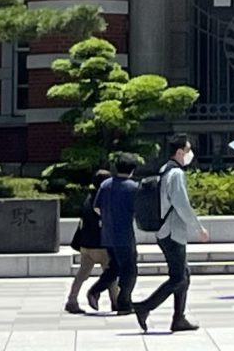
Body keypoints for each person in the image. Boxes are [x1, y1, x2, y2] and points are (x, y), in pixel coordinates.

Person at [134, 134, 207, 333]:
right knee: (179, 278)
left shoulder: (165, 169)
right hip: (172, 232)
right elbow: (181, 204)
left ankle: (178, 318)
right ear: (180, 152)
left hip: (167, 231)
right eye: (188, 150)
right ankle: (144, 307)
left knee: (184, 274)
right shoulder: (176, 174)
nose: (190, 154)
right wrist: (198, 228)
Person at [98, 153, 142, 315]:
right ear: (132, 170)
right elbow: (139, 211)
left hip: (107, 235)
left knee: (114, 267)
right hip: (124, 235)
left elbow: (97, 208)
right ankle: (124, 302)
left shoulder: (105, 185)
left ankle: (96, 291)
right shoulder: (133, 187)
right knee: (129, 270)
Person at [69, 168, 114, 313]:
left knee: (82, 273)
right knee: (111, 273)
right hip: (100, 243)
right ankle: (116, 301)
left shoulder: (88, 198)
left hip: (85, 243)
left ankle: (72, 299)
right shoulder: (103, 199)